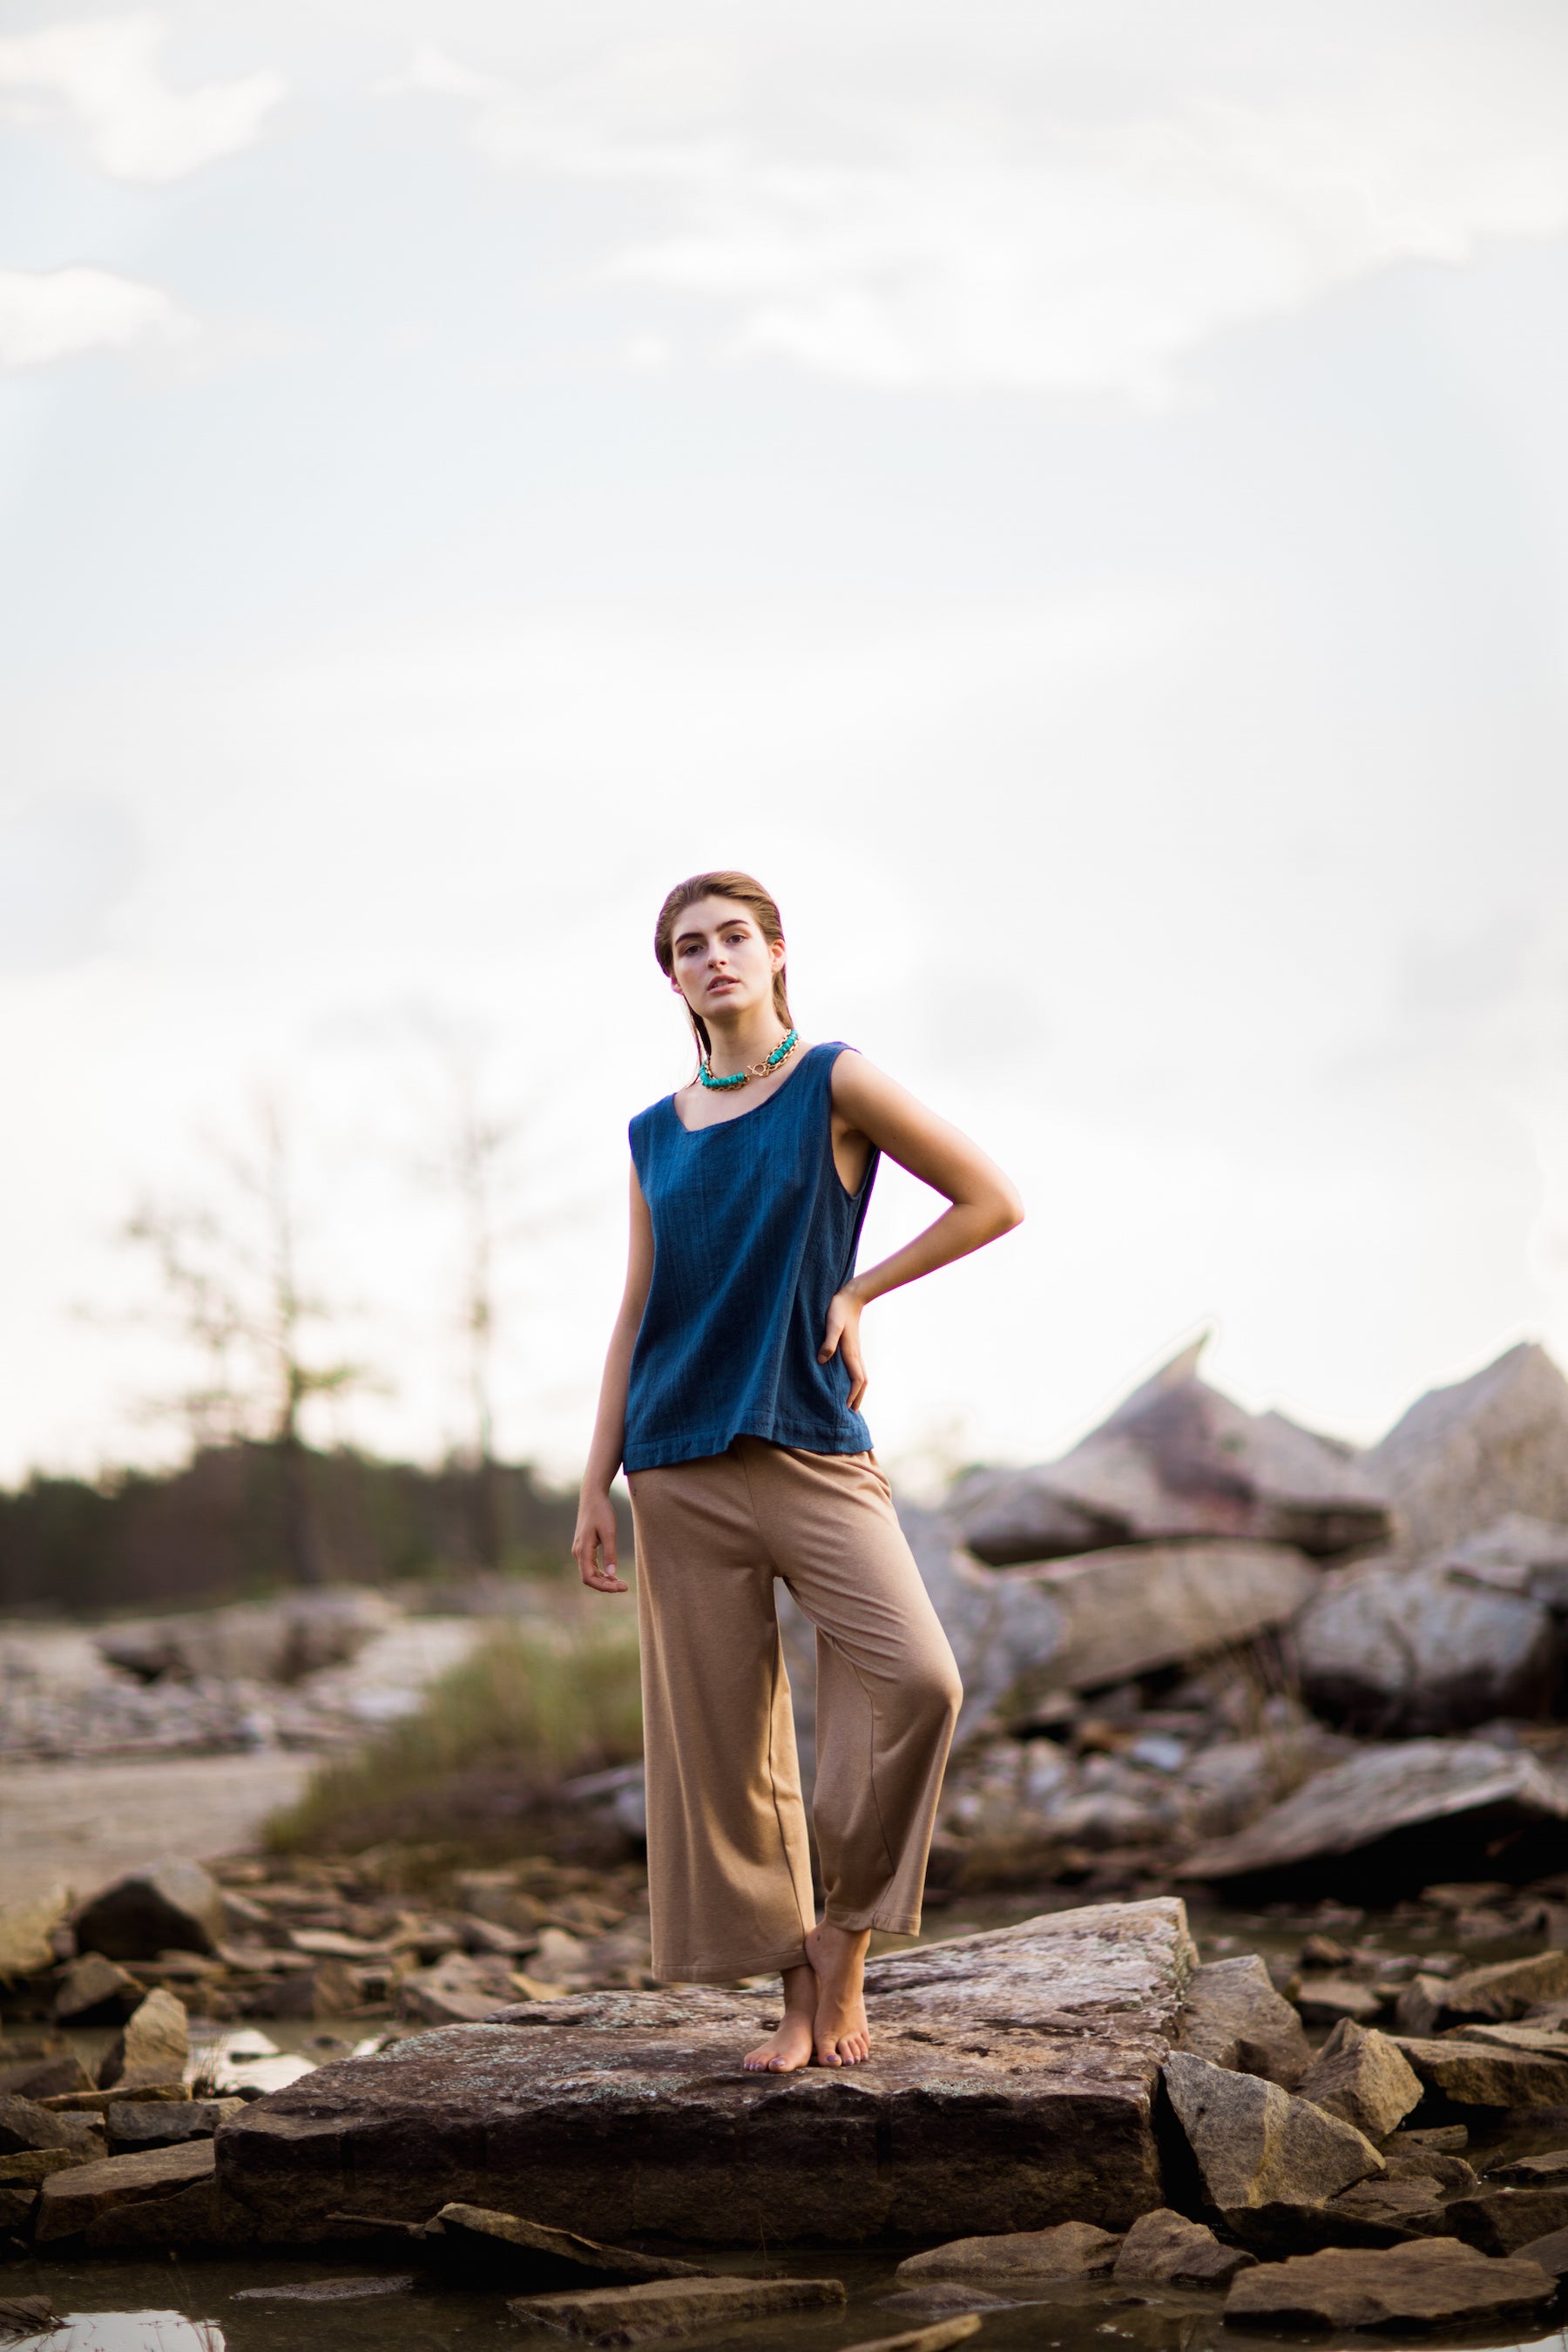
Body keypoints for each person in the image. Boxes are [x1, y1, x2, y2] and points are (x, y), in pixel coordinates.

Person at [573, 870, 1024, 2072]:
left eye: (735, 937)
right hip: (673, 1463)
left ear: (776, 952)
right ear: (669, 977)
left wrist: (860, 1290)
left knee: (920, 1683)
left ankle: (846, 1941)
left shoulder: (835, 1079)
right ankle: (791, 2000)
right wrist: (595, 1483)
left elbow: (991, 1199)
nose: (715, 959)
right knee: (723, 1751)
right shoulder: (652, 1133)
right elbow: (634, 1313)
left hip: (811, 1441)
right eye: (689, 947)